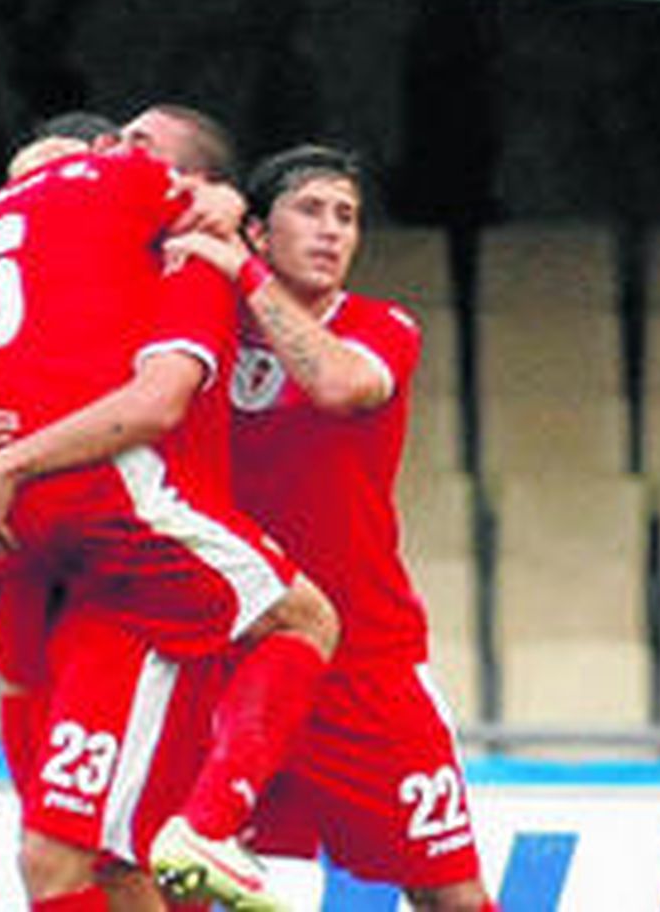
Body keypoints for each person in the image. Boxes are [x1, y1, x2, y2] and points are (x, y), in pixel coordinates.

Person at [0, 106, 339, 911]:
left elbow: (331, 385)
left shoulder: (167, 256)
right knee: (103, 858)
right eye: (111, 143)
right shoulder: (153, 252)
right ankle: (212, 824)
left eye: (135, 144)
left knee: (109, 862)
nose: (111, 152)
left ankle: (204, 829)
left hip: (39, 546)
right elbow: (151, 404)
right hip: (132, 559)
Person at [162, 144, 495, 910]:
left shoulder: (382, 328)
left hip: (364, 660)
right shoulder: (199, 331)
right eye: (309, 210)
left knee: (453, 896)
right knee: (180, 883)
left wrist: (242, 274)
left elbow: (339, 386)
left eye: (346, 216)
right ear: (257, 229)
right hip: (235, 655)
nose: (332, 231)